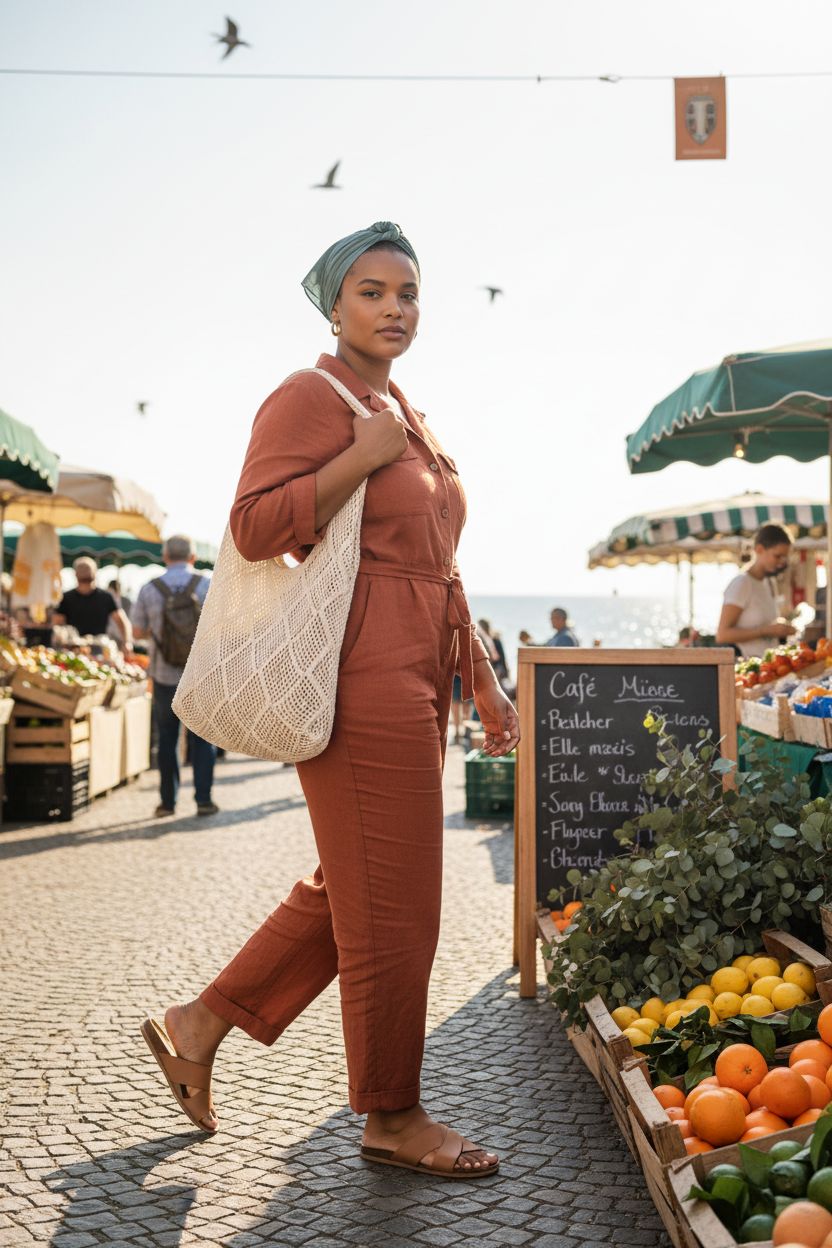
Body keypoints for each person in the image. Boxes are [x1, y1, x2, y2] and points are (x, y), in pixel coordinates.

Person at [140, 222, 518, 1178]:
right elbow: (254, 525)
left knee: (350, 888)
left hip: (420, 670)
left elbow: (441, 563)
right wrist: (358, 456)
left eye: (409, 294)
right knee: (399, 910)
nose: (396, 310)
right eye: (374, 293)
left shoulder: (404, 410)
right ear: (334, 305)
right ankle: (391, 1116)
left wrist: (483, 677)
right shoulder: (312, 396)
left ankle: (200, 1022)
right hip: (361, 674)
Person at [132, 535, 218, 818]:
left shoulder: (149, 589)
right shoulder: (207, 584)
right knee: (202, 738)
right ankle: (203, 800)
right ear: (192, 557)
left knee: (167, 739)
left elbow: (136, 632)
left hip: (164, 674)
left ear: (165, 557)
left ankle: (167, 803)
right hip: (200, 674)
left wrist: (161, 632)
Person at [716, 524, 796, 658]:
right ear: (759, 549)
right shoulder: (742, 583)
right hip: (748, 668)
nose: (782, 562)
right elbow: (722, 635)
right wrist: (766, 631)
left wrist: (780, 628)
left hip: (769, 667)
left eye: (784, 557)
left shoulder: (769, 582)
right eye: (777, 556)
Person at [53, 557, 132, 648]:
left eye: (87, 569)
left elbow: (121, 621)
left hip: (99, 646)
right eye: (82, 569)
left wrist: (127, 642)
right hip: (74, 647)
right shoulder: (66, 598)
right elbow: (57, 624)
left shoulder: (106, 597)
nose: (85, 572)